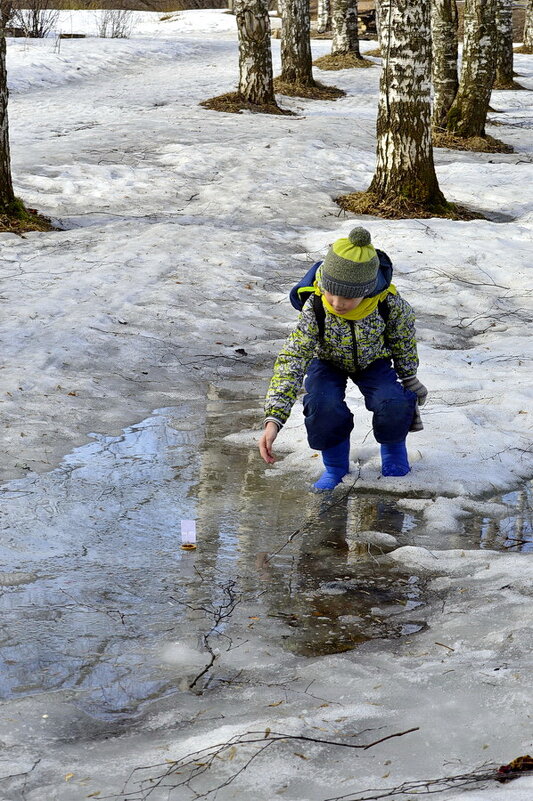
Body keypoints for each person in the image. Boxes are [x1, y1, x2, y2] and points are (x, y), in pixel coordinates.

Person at [258, 226, 427, 491]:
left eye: (347, 296)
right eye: (330, 292)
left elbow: (403, 339)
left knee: (393, 401)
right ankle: (336, 467)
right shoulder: (315, 306)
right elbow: (292, 358)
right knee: (322, 404)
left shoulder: (388, 304)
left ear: (367, 289)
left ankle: (394, 454)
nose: (337, 303)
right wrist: (273, 419)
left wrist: (409, 376)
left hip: (373, 361)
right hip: (326, 362)